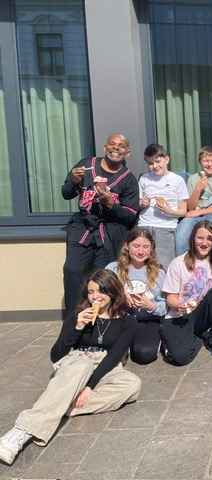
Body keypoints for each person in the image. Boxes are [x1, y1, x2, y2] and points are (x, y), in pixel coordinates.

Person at [0, 270, 141, 465]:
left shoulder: (128, 321)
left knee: (132, 384)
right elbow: (56, 355)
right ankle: (20, 432)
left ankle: (62, 404)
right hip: (77, 360)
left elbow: (113, 357)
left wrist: (89, 387)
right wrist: (77, 327)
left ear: (113, 292)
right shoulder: (77, 314)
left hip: (105, 365)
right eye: (91, 292)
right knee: (82, 365)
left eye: (101, 291)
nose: (95, 296)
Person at [61, 133, 139, 316]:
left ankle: (103, 319)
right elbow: (66, 193)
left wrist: (111, 205)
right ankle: (75, 319)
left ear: (127, 153)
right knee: (72, 270)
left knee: (103, 277)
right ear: (105, 147)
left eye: (121, 146)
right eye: (112, 144)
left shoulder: (128, 179)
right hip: (82, 227)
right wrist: (73, 181)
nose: (116, 148)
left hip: (109, 232)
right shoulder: (87, 165)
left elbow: (130, 216)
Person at [161, 220, 212, 365]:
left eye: (210, 239)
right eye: (200, 238)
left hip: (202, 313)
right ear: (193, 239)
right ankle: (199, 337)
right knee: (180, 357)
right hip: (180, 316)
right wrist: (180, 305)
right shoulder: (178, 262)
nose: (204, 243)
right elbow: (170, 298)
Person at [106, 228, 166, 365]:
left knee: (144, 355)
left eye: (146, 247)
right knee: (114, 357)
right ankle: (124, 345)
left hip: (147, 320)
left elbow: (166, 305)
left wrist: (151, 306)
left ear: (151, 249)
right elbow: (102, 296)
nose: (140, 251)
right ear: (127, 246)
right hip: (119, 319)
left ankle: (153, 341)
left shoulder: (159, 272)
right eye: (136, 246)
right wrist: (121, 298)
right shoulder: (113, 268)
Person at [138, 144, 189, 269]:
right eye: (150, 163)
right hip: (144, 226)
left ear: (166, 159)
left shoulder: (177, 180)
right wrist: (142, 203)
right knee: (142, 265)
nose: (154, 166)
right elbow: (138, 204)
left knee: (164, 266)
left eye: (157, 161)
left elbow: (183, 211)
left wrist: (168, 211)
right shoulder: (144, 178)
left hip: (166, 228)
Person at [176, 146, 212, 255]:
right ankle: (183, 262)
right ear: (200, 162)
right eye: (206, 161)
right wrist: (198, 189)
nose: (209, 164)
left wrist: (201, 211)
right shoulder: (193, 179)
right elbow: (190, 207)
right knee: (181, 233)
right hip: (194, 215)